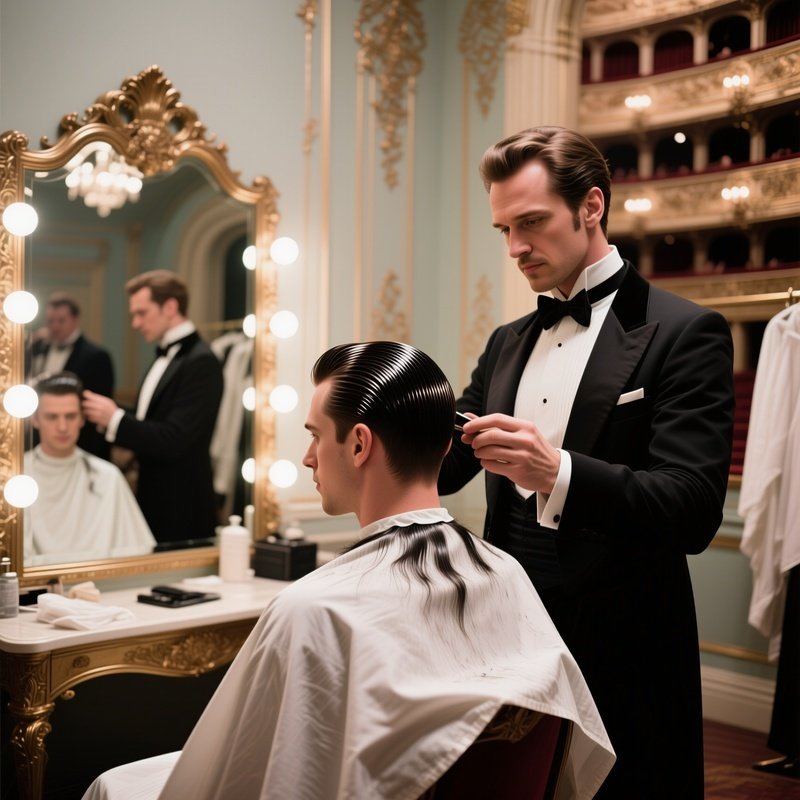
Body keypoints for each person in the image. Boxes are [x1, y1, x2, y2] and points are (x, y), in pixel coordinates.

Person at [82, 341, 615, 800]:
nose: (309, 458)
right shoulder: (504, 572)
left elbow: (244, 775)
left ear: (359, 444)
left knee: (113, 784)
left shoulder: (314, 609)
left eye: (316, 435)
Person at [438, 127, 735, 799]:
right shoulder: (508, 340)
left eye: (532, 223)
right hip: (511, 627)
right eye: (504, 229)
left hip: (625, 640)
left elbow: (690, 510)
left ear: (591, 207)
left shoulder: (686, 332)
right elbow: (446, 466)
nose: (515, 248)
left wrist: (559, 473)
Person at [81, 270, 223, 545]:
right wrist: (110, 413)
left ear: (170, 307)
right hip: (153, 497)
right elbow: (153, 419)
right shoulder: (165, 356)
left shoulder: (202, 362)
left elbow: (174, 438)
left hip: (182, 506)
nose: (135, 323)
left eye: (142, 313)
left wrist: (116, 419)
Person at [24, 372, 155, 565]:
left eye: (70, 416)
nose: (62, 427)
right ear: (35, 420)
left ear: (82, 419)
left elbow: (139, 555)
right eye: (52, 417)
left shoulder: (107, 476)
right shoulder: (14, 478)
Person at [28, 292, 114, 459]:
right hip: (41, 438)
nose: (55, 326)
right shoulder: (39, 349)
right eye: (50, 321)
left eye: (61, 320)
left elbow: (96, 407)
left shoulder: (97, 356)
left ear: (76, 320)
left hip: (82, 442)